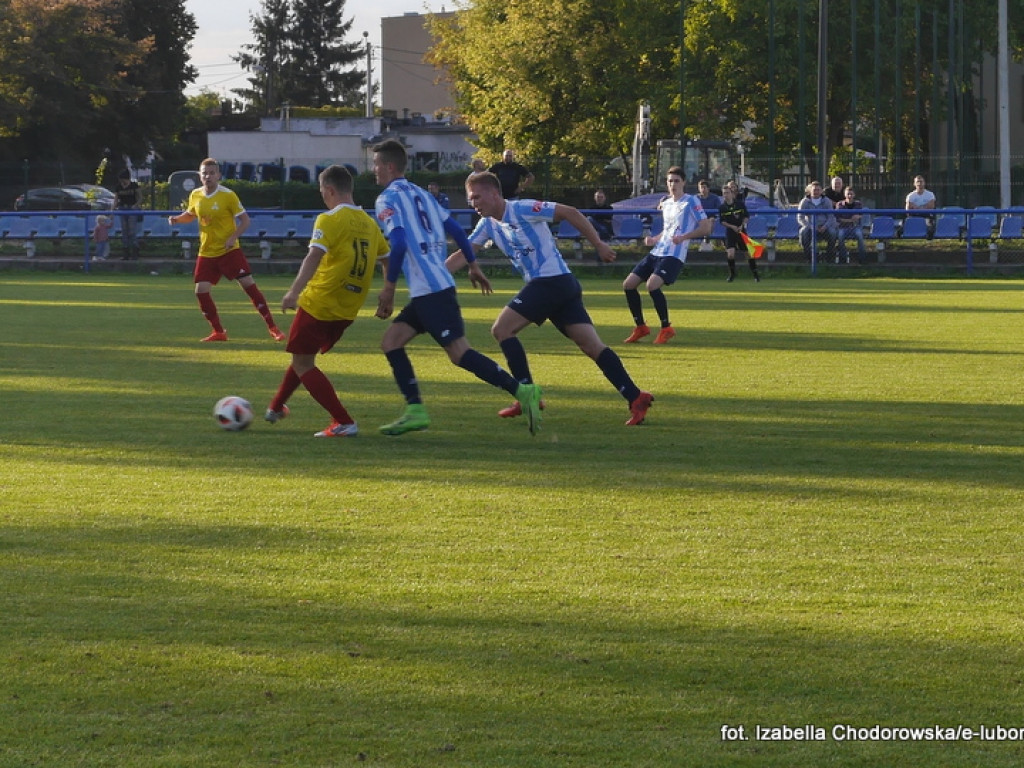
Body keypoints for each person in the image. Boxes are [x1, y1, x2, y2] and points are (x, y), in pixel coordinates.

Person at [452, 171, 654, 427]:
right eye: (471, 199)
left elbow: (570, 211)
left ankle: (527, 393)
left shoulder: (523, 209)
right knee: (592, 346)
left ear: (494, 193)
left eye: (476, 197)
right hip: (561, 285)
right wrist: (434, 277)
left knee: (502, 330)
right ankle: (635, 396)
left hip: (551, 282)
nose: (473, 204)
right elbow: (463, 254)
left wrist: (599, 244)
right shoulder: (488, 224)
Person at [371, 139, 543, 436]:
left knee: (460, 353)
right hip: (435, 287)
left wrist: (388, 288)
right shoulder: (423, 194)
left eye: (375, 165)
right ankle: (415, 410)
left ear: (388, 166)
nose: (373, 171)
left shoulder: (386, 200)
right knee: (391, 342)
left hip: (431, 291)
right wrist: (473, 265)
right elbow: (454, 229)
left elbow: (398, 243)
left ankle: (522, 390)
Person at [264, 166, 390, 437]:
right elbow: (386, 260)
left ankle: (343, 421)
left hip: (320, 301)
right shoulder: (369, 223)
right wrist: (387, 293)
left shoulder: (328, 219)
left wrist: (294, 292)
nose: (323, 197)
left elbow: (313, 256)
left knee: (303, 362)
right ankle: (275, 407)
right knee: (302, 356)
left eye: (323, 192)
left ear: (329, 190)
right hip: (347, 308)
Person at [168, 158, 285, 343]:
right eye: (204, 173)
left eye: (212, 173)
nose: (208, 176)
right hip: (207, 251)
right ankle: (218, 331)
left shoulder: (228, 195)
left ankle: (273, 327)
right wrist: (177, 219)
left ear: (219, 175)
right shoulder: (196, 195)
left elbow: (245, 220)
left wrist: (233, 237)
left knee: (248, 285)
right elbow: (190, 215)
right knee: (201, 291)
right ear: (200, 175)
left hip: (228, 251)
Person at [623, 166, 713, 345]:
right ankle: (641, 327)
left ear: (684, 182)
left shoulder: (691, 201)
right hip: (658, 251)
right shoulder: (666, 203)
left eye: (676, 181)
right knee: (628, 284)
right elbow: (667, 230)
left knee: (652, 285)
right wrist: (654, 239)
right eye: (670, 181)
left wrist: (684, 238)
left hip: (674, 254)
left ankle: (666, 328)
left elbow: (706, 227)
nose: (673, 184)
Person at [718, 184, 760, 283]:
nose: (726, 195)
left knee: (748, 253)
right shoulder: (722, 207)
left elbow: (746, 216)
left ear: (732, 194)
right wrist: (732, 226)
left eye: (727, 193)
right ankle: (732, 274)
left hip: (741, 231)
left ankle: (755, 274)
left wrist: (742, 225)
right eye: (724, 193)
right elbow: (722, 221)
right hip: (730, 232)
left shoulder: (740, 204)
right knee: (730, 254)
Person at [797, 181, 837, 261]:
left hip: (824, 226)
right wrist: (811, 226)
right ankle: (808, 256)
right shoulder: (805, 201)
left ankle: (829, 256)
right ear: (810, 191)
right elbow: (800, 217)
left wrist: (825, 226)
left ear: (821, 191)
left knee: (833, 233)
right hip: (810, 226)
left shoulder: (826, 201)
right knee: (803, 232)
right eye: (814, 190)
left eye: (818, 190)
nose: (816, 192)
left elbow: (831, 217)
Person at [835, 187, 867, 264]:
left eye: (851, 194)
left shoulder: (858, 204)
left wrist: (858, 216)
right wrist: (850, 220)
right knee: (840, 236)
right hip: (843, 227)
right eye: (848, 194)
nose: (849, 196)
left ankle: (862, 258)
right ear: (845, 195)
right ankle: (843, 258)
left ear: (854, 195)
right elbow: (838, 219)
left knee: (860, 235)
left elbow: (862, 215)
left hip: (855, 227)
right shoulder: (839, 204)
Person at [114, 169, 140, 260]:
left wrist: (135, 205)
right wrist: (112, 209)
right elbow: (116, 199)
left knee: (132, 231)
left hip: (132, 208)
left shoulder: (134, 186)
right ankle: (126, 252)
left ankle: (135, 252)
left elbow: (140, 198)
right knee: (124, 230)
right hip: (122, 208)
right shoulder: (118, 187)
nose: (122, 182)